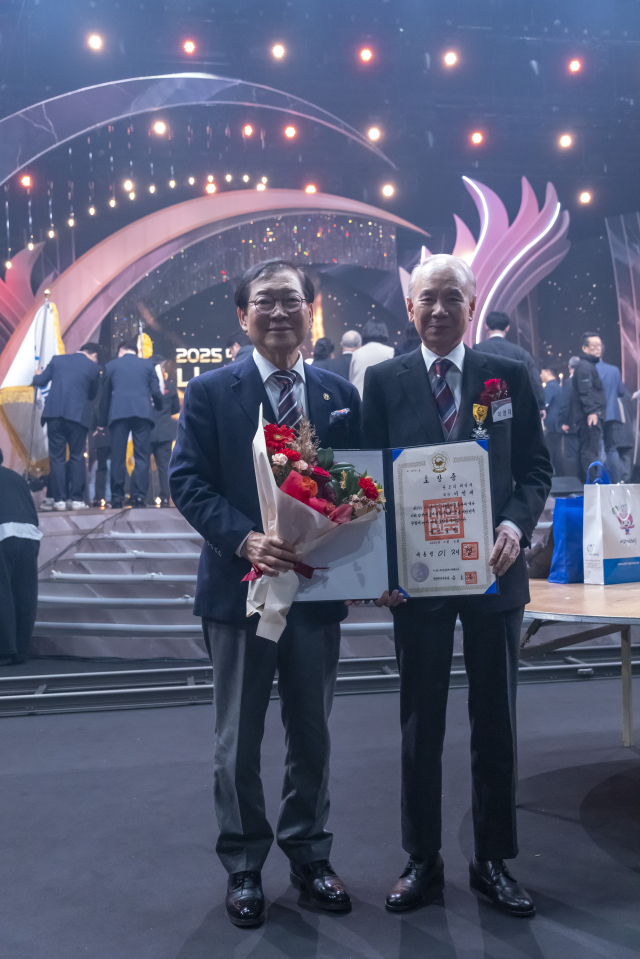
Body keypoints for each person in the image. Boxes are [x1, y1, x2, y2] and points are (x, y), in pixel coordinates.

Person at [169, 258, 361, 928]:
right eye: (265, 302)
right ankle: (245, 862)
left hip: (317, 592)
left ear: (310, 310)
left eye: (291, 300)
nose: (279, 312)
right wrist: (245, 539)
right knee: (237, 738)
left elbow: (359, 487)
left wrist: (370, 564)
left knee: (312, 734)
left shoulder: (338, 394)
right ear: (242, 315)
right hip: (238, 592)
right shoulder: (210, 392)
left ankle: (309, 854)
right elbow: (187, 481)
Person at [362, 254, 552, 918]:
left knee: (496, 721)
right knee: (421, 723)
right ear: (409, 307)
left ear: (473, 305)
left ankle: (493, 859)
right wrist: (381, 569)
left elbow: (534, 468)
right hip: (418, 580)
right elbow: (369, 483)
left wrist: (514, 524)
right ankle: (422, 858)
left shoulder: (507, 375)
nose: (439, 309)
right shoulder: (383, 381)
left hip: (494, 574)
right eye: (428, 298)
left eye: (452, 298)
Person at [32, 342, 102, 510]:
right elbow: (92, 395)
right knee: (77, 456)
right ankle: (76, 500)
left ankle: (59, 500)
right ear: (94, 355)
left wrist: (37, 374)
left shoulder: (57, 360)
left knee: (57, 458)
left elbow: (40, 381)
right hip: (77, 417)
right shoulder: (94, 367)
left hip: (54, 416)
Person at [100, 339, 163, 509]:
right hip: (143, 414)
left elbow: (105, 397)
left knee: (118, 457)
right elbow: (156, 391)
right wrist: (158, 406)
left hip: (118, 414)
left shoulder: (111, 366)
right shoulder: (148, 365)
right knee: (142, 457)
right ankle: (139, 496)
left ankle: (117, 497)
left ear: (121, 351)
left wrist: (102, 421)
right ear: (136, 351)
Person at [0, 448, 42, 664]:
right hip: (28, 534)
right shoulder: (16, 477)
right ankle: (20, 650)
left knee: (3, 593)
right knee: (24, 594)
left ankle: (4, 650)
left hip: (2, 533)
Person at [473, 311, 546, 414]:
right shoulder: (519, 352)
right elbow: (534, 379)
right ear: (507, 328)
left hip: (484, 408)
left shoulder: (478, 349)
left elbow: (472, 378)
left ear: (486, 326)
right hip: (513, 407)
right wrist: (540, 405)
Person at [567, 333, 606, 482]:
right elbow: (585, 391)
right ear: (584, 348)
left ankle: (589, 484)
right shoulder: (585, 367)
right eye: (594, 345)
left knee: (589, 450)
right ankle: (592, 485)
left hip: (590, 415)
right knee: (590, 451)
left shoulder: (587, 366)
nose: (598, 348)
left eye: (600, 345)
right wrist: (592, 411)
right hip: (589, 417)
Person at [593, 338, 626, 483]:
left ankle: (599, 481)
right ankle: (617, 481)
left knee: (597, 449)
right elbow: (621, 391)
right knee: (612, 449)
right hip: (612, 414)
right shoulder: (614, 370)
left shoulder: (590, 370)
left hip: (596, 414)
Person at [150, 359, 180, 506]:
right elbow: (176, 408)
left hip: (147, 431)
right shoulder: (170, 386)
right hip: (165, 430)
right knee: (164, 466)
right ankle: (166, 497)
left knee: (142, 464)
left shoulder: (147, 386)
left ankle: (141, 497)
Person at [349, 319, 394, 397]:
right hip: (382, 397)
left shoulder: (356, 353)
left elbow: (351, 378)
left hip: (359, 397)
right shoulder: (390, 352)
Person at [540, 365, 565, 475]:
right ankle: (562, 476)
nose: (540, 376)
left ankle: (546, 476)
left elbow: (544, 404)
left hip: (551, 425)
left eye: (542, 373)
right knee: (557, 454)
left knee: (548, 453)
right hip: (557, 424)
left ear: (547, 372)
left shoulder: (549, 387)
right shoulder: (558, 387)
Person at [561, 356, 581, 478]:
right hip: (584, 425)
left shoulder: (569, 383)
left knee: (571, 455)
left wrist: (563, 422)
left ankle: (574, 481)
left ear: (569, 367)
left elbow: (565, 404)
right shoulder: (585, 381)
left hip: (571, 424)